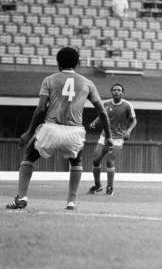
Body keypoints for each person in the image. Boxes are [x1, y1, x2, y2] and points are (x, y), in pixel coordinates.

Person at [6, 48, 113, 211]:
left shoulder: (49, 80)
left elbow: (41, 109)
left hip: (51, 128)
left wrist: (29, 132)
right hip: (74, 131)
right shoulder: (87, 83)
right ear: (78, 63)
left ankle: (21, 198)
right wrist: (109, 137)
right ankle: (71, 201)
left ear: (58, 63)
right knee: (76, 161)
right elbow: (102, 113)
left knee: (29, 156)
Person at [88, 84, 137, 196]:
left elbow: (134, 121)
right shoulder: (105, 104)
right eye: (114, 90)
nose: (116, 92)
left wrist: (128, 131)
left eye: (119, 90)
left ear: (122, 93)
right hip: (104, 136)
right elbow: (101, 115)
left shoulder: (127, 105)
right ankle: (97, 185)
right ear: (111, 92)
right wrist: (94, 123)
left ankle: (110, 187)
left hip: (118, 138)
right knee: (95, 160)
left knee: (110, 161)